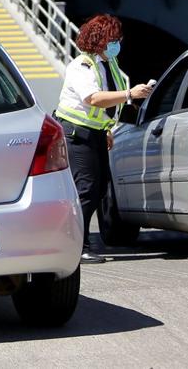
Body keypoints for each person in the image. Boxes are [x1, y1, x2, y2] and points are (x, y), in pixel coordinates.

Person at [54, 14, 153, 264]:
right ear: (100, 40)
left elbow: (103, 108)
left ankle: (77, 242)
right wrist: (130, 94)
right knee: (86, 190)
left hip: (94, 133)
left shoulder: (105, 65)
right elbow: (93, 99)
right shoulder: (82, 66)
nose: (117, 44)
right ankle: (78, 246)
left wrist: (106, 129)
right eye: (113, 40)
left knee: (98, 189)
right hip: (77, 134)